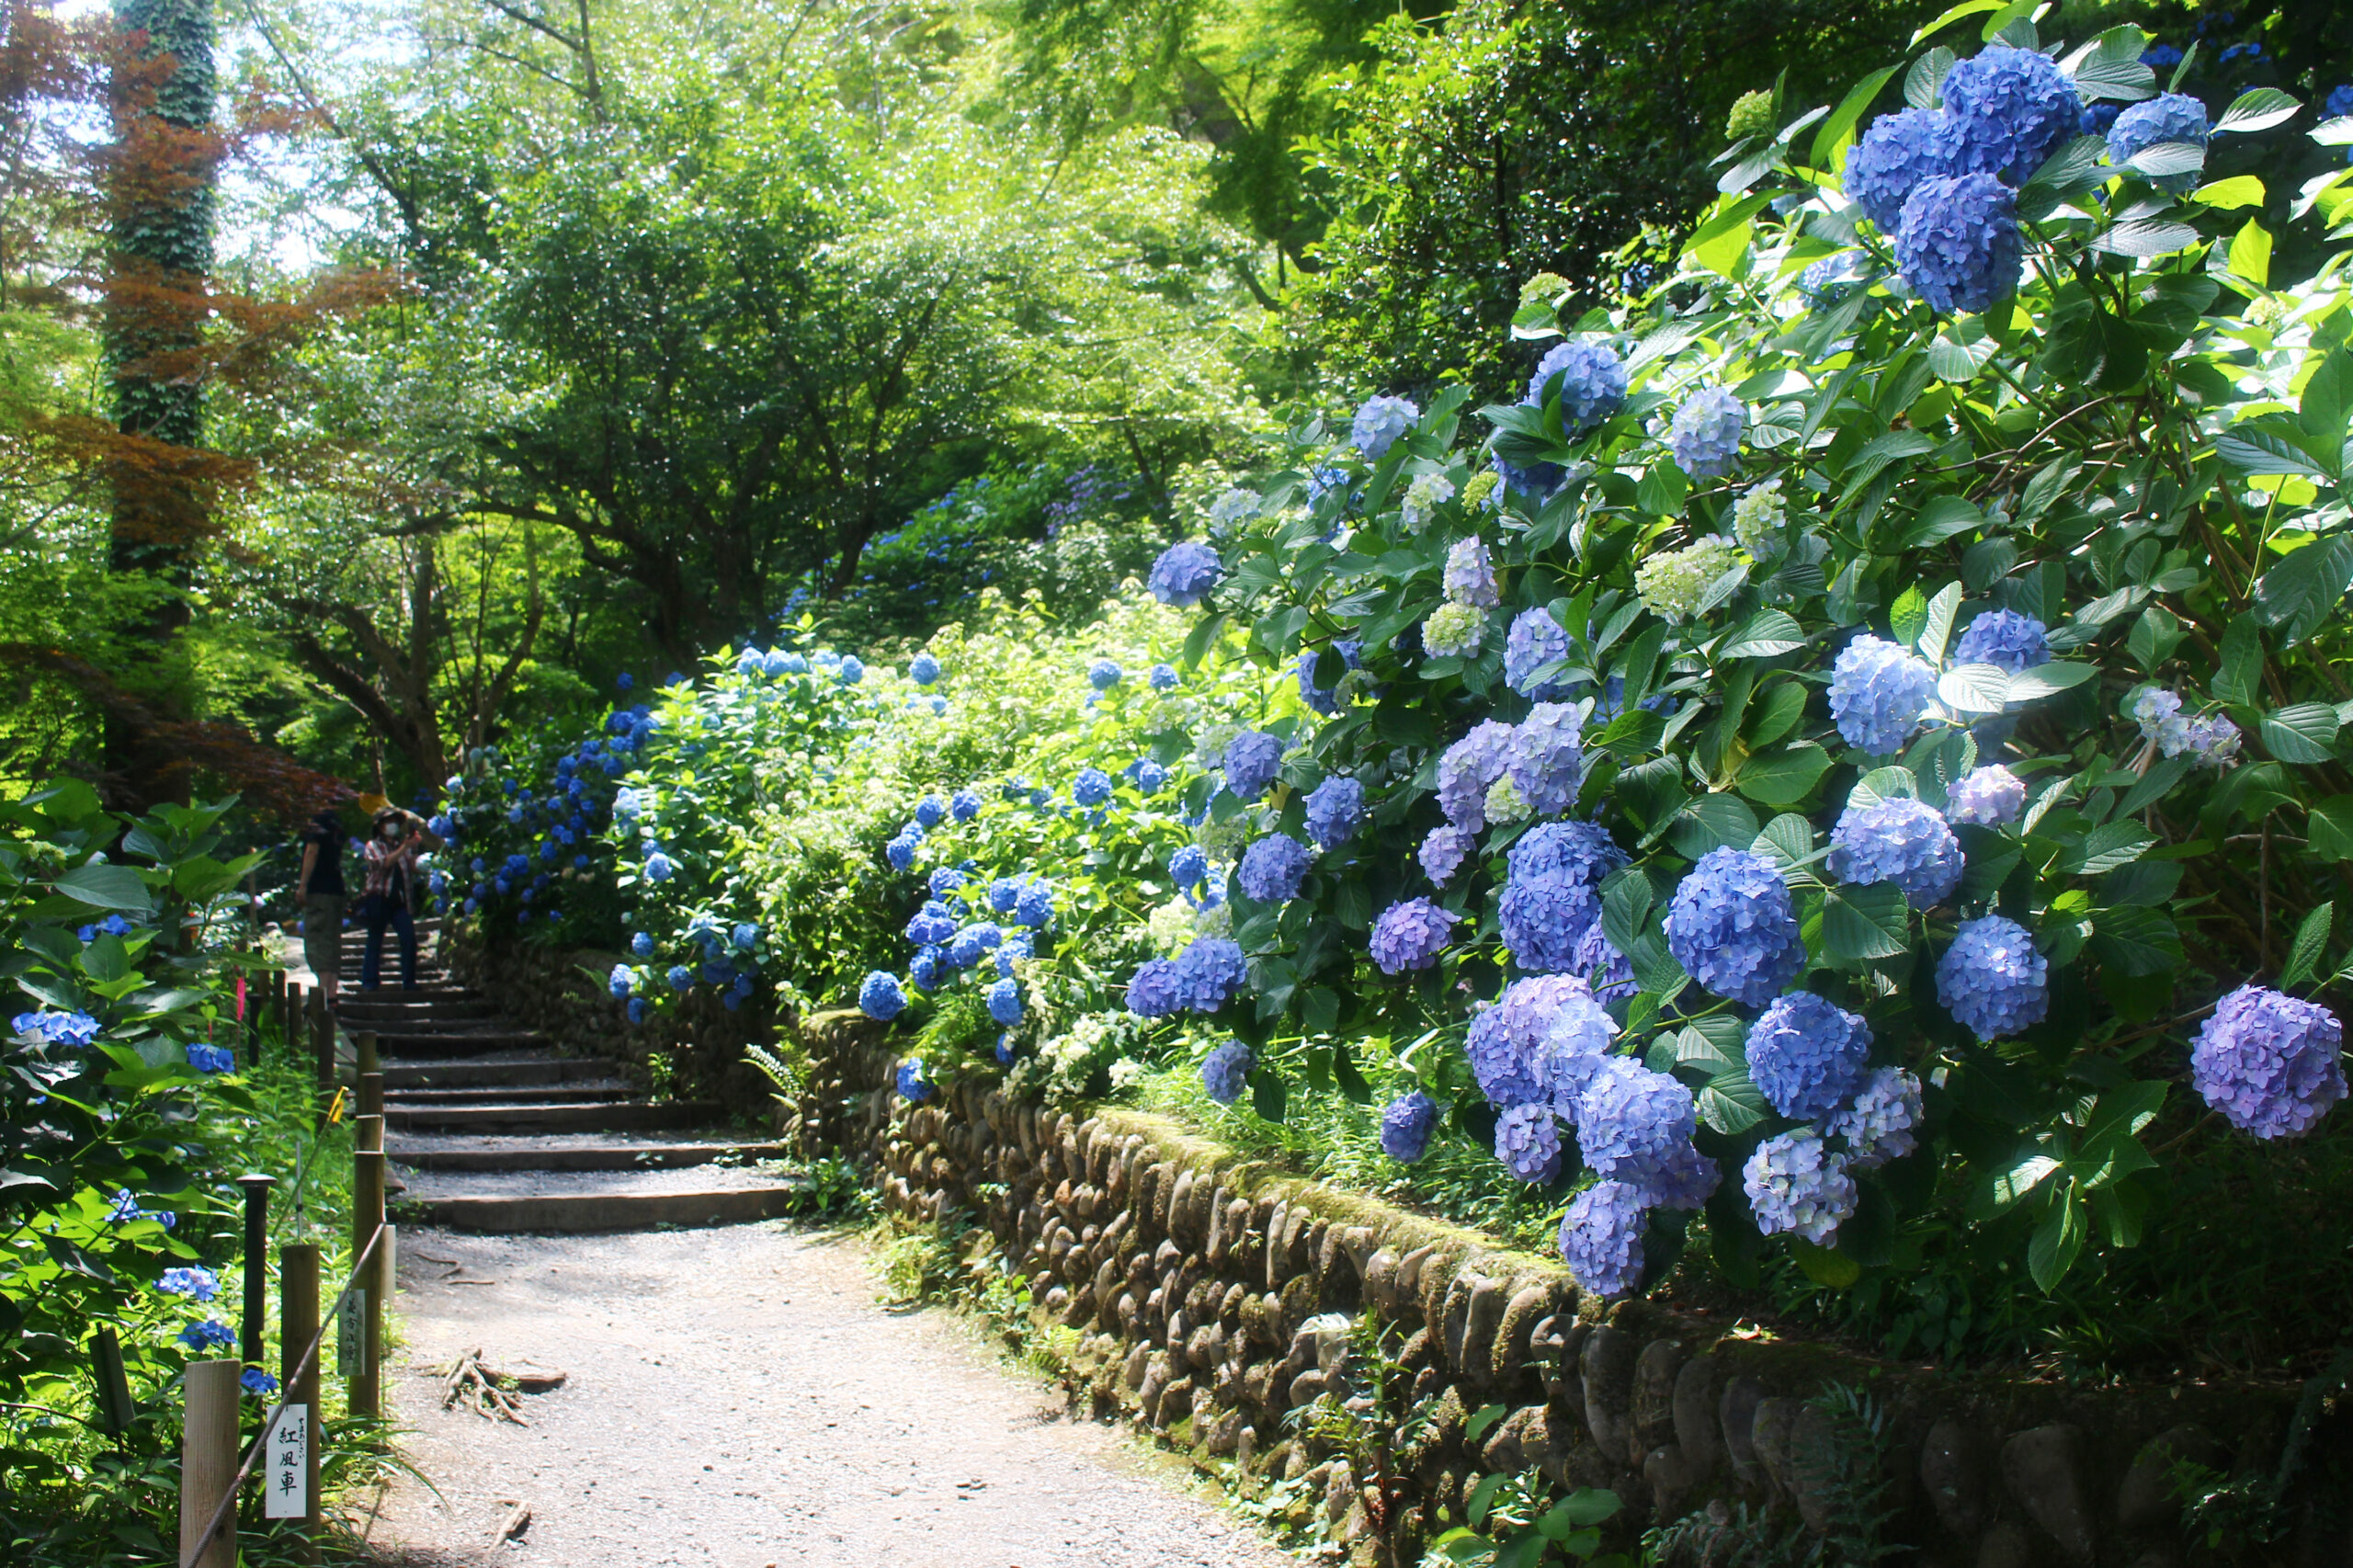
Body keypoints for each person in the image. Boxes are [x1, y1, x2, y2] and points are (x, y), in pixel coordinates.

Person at [359, 808, 444, 991]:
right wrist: (404, 847)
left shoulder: (401, 845)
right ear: (380, 827)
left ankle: (409, 981)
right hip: (378, 898)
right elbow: (383, 863)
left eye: (396, 822)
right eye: (389, 822)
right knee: (375, 939)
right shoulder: (373, 845)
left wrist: (416, 852)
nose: (393, 826)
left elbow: (412, 867)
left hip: (399, 901)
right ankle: (370, 982)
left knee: (408, 938)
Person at [294, 809, 349, 1013]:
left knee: (318, 941)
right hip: (337, 889)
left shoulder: (317, 824)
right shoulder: (337, 824)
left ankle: (321, 997)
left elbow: (312, 851)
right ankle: (331, 995)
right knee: (332, 941)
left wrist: (303, 885)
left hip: (319, 890)